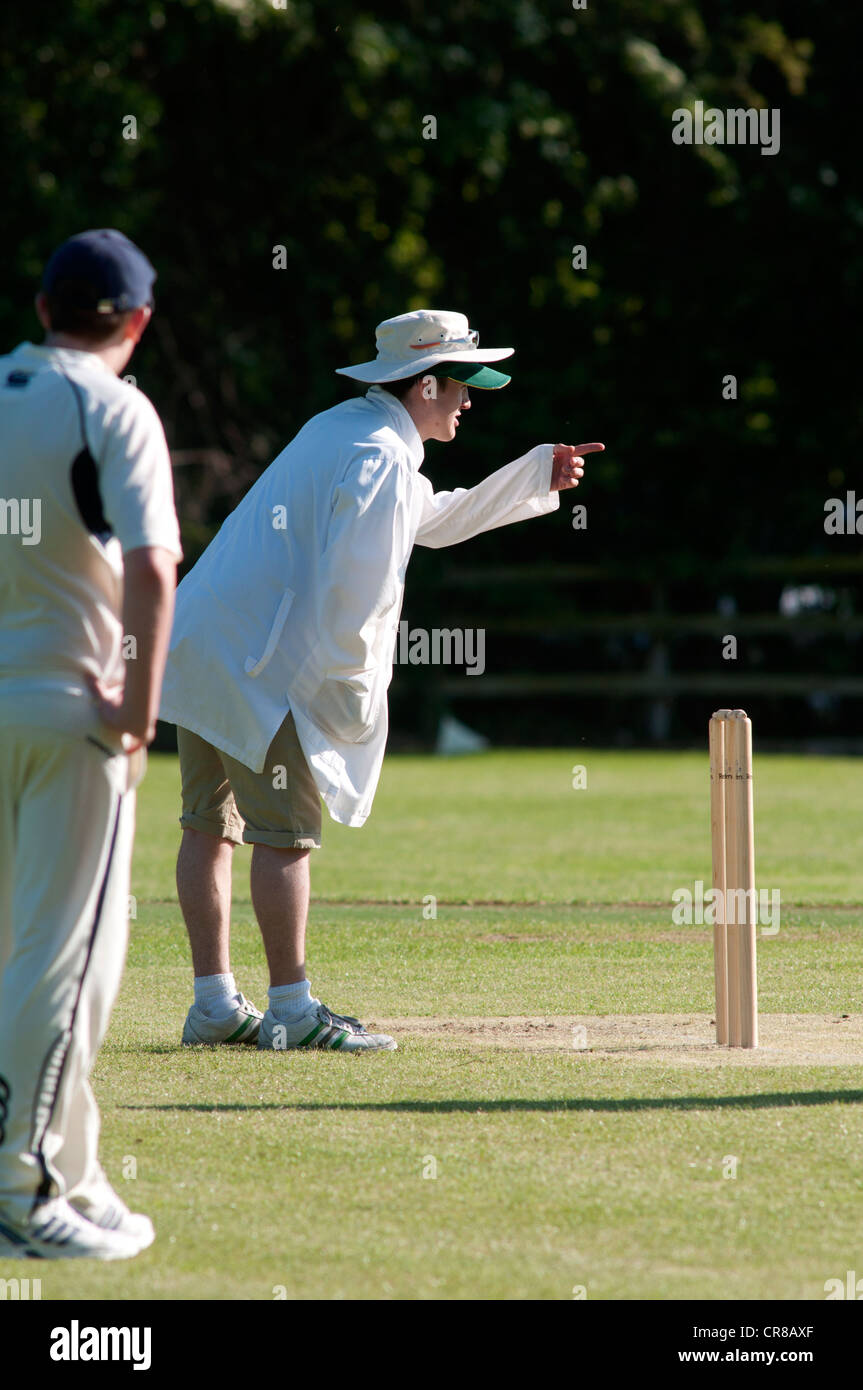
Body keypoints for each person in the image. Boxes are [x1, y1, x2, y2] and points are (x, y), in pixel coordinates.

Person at [159, 309, 603, 1054]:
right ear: (425, 384)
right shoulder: (378, 457)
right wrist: (347, 696)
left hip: (206, 641)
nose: (471, 398)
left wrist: (532, 474)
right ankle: (292, 1009)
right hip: (261, 667)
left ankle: (213, 1004)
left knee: (210, 824)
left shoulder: (345, 430)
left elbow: (422, 519)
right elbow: (353, 588)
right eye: (462, 384)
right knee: (286, 835)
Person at [0, 229, 181, 1259]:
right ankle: (21, 1195)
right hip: (69, 719)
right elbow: (152, 570)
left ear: (42, 308)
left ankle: (73, 1167)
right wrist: (137, 710)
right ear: (136, 322)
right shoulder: (112, 405)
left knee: (15, 957)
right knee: (69, 967)